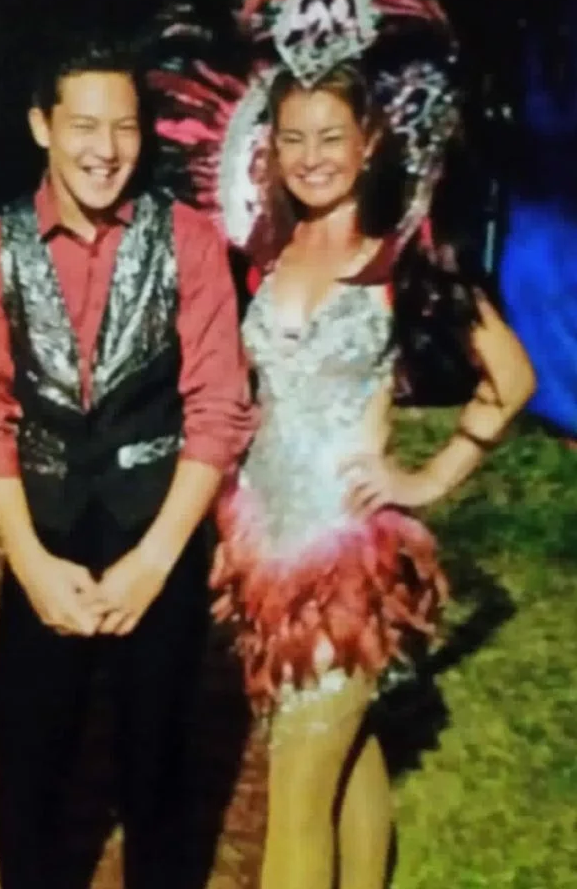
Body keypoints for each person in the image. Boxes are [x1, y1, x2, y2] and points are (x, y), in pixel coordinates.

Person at [210, 62, 536, 889]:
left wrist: (428, 478)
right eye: (293, 138)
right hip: (266, 561)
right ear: (271, 147)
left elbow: (512, 379)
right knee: (348, 764)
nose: (311, 156)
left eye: (330, 137)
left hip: (343, 567)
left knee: (294, 795)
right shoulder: (269, 255)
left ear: (369, 144)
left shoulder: (402, 264)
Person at [0, 30, 255, 889]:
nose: (105, 149)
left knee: (161, 784)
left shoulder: (189, 243)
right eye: (84, 124)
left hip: (158, 543)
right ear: (43, 125)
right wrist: (31, 564)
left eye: (123, 126)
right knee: (31, 787)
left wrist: (156, 563)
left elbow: (217, 406)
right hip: (41, 545)